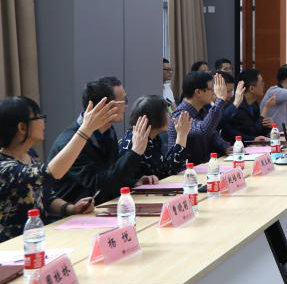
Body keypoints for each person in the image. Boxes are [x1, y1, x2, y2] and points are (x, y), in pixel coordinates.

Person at [0, 96, 119, 239]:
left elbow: (45, 196)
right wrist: (86, 130)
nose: (43, 121)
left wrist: (70, 208)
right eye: (39, 117)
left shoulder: (29, 155)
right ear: (22, 127)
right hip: (12, 245)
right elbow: (49, 174)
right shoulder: (4, 167)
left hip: (38, 238)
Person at [49, 77, 145, 205]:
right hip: (73, 214)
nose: (126, 106)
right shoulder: (71, 142)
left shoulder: (108, 131)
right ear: (105, 106)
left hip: (100, 208)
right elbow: (99, 186)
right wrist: (134, 153)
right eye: (124, 101)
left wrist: (134, 182)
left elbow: (110, 174)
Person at [119, 96, 191, 180]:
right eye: (166, 111)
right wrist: (182, 135)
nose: (170, 115)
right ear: (155, 117)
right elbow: (168, 171)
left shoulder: (152, 138)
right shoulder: (136, 141)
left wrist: (182, 135)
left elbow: (165, 167)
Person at [171, 71, 231, 163]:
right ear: (198, 92)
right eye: (211, 89)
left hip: (202, 165)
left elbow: (212, 133)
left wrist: (225, 147)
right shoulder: (180, 115)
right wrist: (220, 100)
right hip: (185, 169)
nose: (214, 93)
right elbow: (203, 130)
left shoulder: (202, 109)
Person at [225, 69, 275, 143]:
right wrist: (266, 108)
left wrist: (267, 126)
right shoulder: (238, 106)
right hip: (236, 146)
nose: (264, 84)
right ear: (251, 88)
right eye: (261, 82)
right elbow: (253, 132)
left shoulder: (254, 104)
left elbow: (259, 134)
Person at [214, 71, 247, 144]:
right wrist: (236, 103)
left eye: (232, 91)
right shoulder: (205, 106)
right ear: (216, 88)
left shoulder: (226, 105)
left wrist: (253, 139)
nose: (231, 95)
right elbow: (216, 125)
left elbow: (228, 130)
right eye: (228, 91)